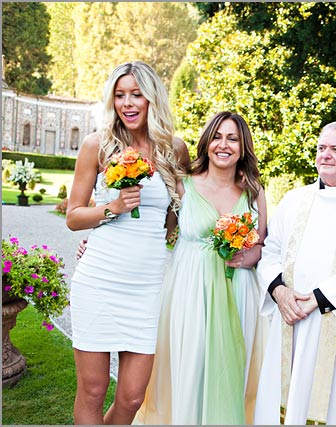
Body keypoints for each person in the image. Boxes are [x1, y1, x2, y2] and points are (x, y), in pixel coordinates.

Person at [66, 61, 190, 425]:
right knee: (92, 389)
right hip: (99, 281)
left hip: (150, 287)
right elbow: (74, 215)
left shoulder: (174, 150)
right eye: (120, 95)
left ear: (152, 98)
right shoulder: (97, 146)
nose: (128, 103)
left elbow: (175, 221)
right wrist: (112, 208)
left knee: (133, 396)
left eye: (137, 94)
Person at [134, 111, 268, 425]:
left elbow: (264, 244)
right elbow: (156, 232)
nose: (224, 145)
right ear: (206, 143)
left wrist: (250, 257)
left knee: (231, 365)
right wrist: (96, 241)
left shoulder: (254, 191)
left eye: (233, 138)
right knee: (189, 364)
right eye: (217, 137)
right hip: (189, 290)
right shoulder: (183, 186)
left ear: (243, 147)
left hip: (238, 291)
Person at [253, 121, 336, 425]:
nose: (325, 155)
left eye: (335, 149)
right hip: (289, 317)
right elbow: (269, 250)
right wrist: (279, 292)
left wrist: (317, 299)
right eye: (321, 148)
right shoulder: (294, 199)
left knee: (335, 406)